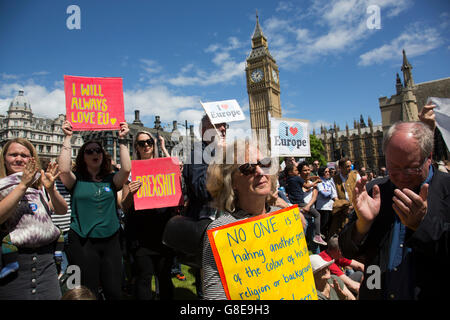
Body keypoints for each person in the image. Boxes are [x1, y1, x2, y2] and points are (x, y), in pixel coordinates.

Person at [339, 121, 450, 300]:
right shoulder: (376, 191)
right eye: (393, 168)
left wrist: (422, 226)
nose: (400, 176)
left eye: (410, 168)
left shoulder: (447, 189)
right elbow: (347, 251)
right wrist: (362, 224)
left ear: (429, 157)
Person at [58, 120, 131, 300]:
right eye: (89, 151)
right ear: (83, 157)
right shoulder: (76, 181)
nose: (94, 153)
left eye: (97, 150)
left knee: (114, 290)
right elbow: (64, 170)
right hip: (83, 241)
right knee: (89, 291)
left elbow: (127, 169)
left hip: (111, 240)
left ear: (102, 155)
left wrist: (122, 140)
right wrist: (67, 138)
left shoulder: (111, 179)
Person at [202, 140, 281, 300]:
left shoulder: (283, 218)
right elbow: (215, 297)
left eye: (264, 163)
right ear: (232, 182)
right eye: (248, 168)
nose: (259, 171)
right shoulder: (221, 230)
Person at [0, 138, 68, 300]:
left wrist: (51, 189)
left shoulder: (39, 186)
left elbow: (61, 209)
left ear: (32, 159)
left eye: (24, 155)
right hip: (13, 264)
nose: (19, 159)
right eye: (13, 154)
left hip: (46, 264)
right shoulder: (2, 184)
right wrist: (22, 185)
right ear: (4, 158)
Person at [121, 131, 175, 300]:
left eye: (149, 142)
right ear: (136, 147)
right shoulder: (130, 171)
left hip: (162, 231)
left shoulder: (164, 167)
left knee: (164, 276)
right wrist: (131, 192)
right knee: (144, 277)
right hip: (140, 234)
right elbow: (123, 204)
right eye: (141, 143)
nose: (146, 146)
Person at [182, 114, 227, 298]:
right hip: (205, 226)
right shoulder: (198, 154)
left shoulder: (223, 153)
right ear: (204, 130)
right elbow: (203, 191)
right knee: (210, 281)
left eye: (225, 125)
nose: (223, 129)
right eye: (217, 125)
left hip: (224, 223)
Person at [284, 162, 326, 246]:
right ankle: (317, 235)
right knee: (317, 215)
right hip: (301, 206)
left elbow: (305, 184)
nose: (307, 172)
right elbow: (307, 186)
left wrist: (313, 178)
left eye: (308, 170)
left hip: (294, 205)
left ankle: (317, 233)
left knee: (308, 244)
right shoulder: (298, 179)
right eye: (303, 170)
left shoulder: (289, 179)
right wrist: (316, 181)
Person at [330, 157, 360, 237]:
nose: (350, 168)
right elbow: (334, 196)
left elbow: (360, 192)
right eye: (347, 166)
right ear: (340, 168)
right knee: (342, 233)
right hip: (342, 212)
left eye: (350, 166)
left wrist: (353, 206)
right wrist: (343, 206)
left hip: (356, 209)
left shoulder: (355, 176)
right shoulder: (334, 179)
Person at [316, 166, 338, 240]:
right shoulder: (319, 181)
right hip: (322, 208)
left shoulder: (329, 182)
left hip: (330, 207)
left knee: (330, 227)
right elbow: (324, 194)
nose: (328, 173)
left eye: (328, 171)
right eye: (326, 172)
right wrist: (330, 193)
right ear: (322, 173)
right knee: (323, 227)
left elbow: (333, 194)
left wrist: (329, 193)